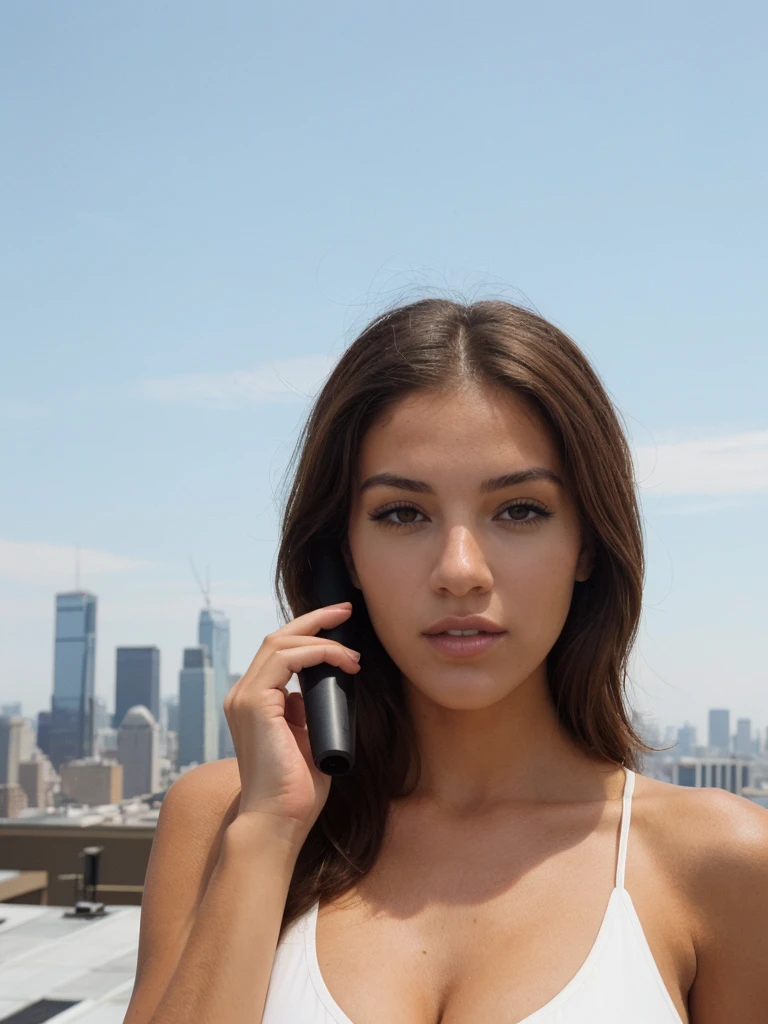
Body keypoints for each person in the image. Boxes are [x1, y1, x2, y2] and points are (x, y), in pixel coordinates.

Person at [124, 299, 768, 1024]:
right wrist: (268, 836)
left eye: (520, 509)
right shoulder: (224, 820)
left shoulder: (720, 862)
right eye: (403, 514)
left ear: (588, 543)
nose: (460, 571)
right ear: (345, 557)